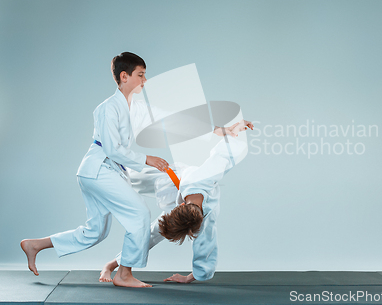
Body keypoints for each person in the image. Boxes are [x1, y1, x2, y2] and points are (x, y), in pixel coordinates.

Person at [20, 52, 170, 288]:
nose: (144, 80)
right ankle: (124, 274)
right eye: (140, 75)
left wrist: (217, 128)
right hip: (99, 169)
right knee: (139, 213)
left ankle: (35, 245)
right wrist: (147, 158)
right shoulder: (108, 107)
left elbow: (168, 119)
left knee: (95, 232)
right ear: (124, 76)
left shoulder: (132, 106)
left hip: (100, 171)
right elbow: (112, 149)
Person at [99, 120, 254, 283]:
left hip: (184, 194)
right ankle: (106, 163)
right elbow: (223, 157)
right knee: (127, 177)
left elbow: (206, 247)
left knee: (152, 233)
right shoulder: (202, 178)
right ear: (179, 206)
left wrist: (191, 277)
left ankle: (110, 265)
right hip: (173, 179)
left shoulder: (206, 219)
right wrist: (234, 134)